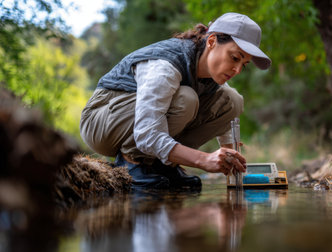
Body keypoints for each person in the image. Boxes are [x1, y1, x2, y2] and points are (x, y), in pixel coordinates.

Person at [80, 12, 271, 190]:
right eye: (234, 58)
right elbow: (147, 133)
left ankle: (164, 165)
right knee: (185, 99)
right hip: (101, 121)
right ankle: (133, 161)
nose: (237, 70)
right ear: (212, 41)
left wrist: (232, 161)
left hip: (131, 121)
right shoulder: (165, 66)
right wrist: (204, 160)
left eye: (243, 65)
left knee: (233, 101)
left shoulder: (211, 74)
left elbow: (227, 110)